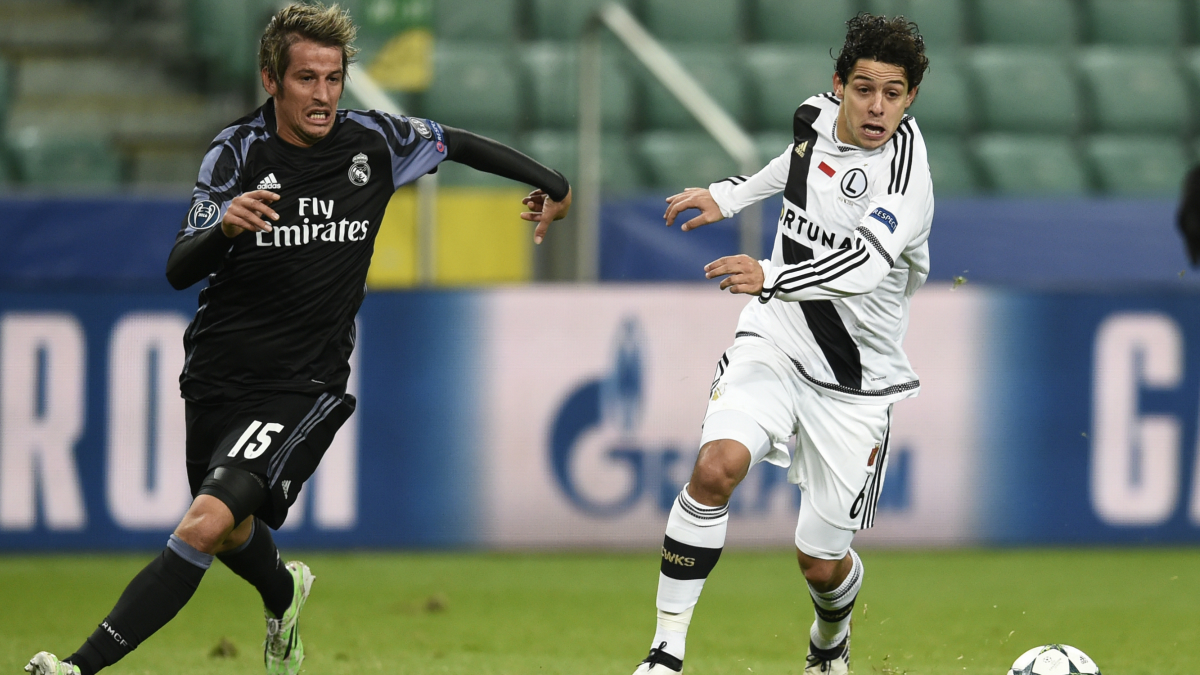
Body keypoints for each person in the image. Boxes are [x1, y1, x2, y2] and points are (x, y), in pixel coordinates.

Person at [25, 3, 571, 675]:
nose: (322, 95)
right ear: (271, 80)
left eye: (333, 78)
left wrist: (554, 183)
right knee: (227, 531)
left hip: (302, 383)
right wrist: (223, 226)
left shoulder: (376, 142)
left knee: (201, 522)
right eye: (306, 78)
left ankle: (78, 665)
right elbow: (178, 267)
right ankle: (285, 591)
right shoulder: (237, 152)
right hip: (218, 375)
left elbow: (457, 141)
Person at [630, 14, 930, 675]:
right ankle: (664, 651)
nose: (876, 107)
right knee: (716, 467)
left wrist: (770, 272)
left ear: (911, 99)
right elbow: (793, 169)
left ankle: (830, 640)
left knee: (820, 561)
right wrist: (728, 196)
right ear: (838, 86)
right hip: (777, 333)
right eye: (863, 89)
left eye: (893, 93)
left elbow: (862, 268)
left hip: (856, 383)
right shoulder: (812, 117)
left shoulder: (906, 177)